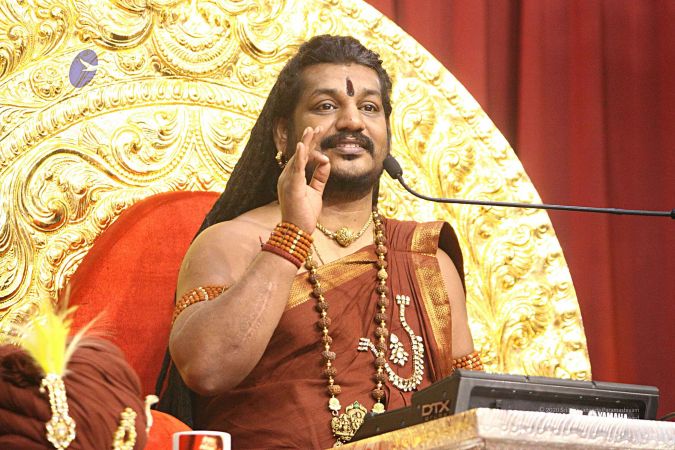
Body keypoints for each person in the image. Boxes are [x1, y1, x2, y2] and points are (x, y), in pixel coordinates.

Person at [157, 34, 482, 448]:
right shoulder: (230, 243)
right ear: (282, 134)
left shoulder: (425, 260)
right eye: (327, 106)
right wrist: (291, 235)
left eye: (369, 107)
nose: (352, 122)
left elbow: (472, 411)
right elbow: (206, 369)